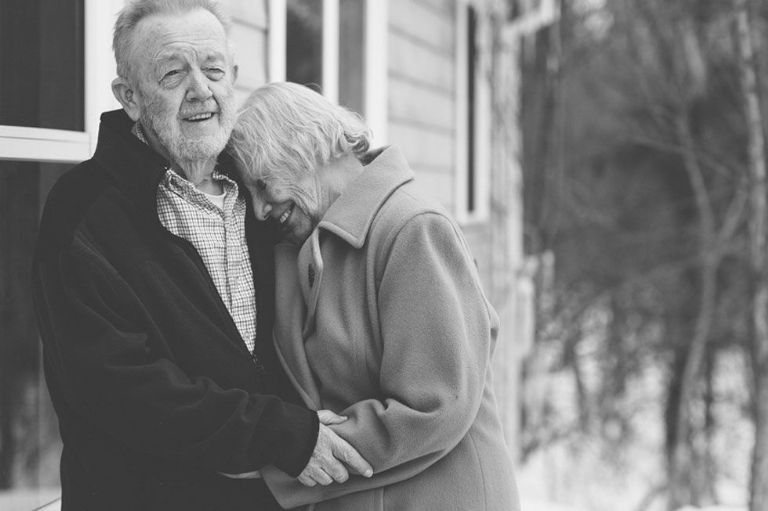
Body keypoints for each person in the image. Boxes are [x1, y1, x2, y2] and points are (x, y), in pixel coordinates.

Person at [32, 2, 370, 510]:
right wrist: (277, 432)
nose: (200, 90)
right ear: (131, 98)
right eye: (173, 73)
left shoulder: (262, 196)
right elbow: (115, 386)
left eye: (213, 70)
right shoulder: (82, 211)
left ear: (232, 77)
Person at [227, 81, 522, 510]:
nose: (258, 209)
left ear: (305, 147)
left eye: (261, 183)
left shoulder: (413, 228)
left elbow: (434, 406)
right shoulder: (294, 249)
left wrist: (286, 455)